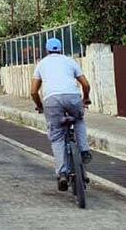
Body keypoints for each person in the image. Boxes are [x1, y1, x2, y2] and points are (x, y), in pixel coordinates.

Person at [30, 37, 92, 191]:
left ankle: (62, 174)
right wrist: (86, 98)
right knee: (79, 120)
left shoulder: (42, 64)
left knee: (57, 137)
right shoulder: (69, 61)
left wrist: (39, 106)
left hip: (52, 101)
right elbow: (85, 84)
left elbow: (33, 91)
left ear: (47, 50)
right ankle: (84, 150)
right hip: (72, 97)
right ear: (61, 49)